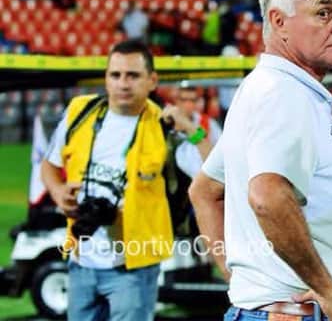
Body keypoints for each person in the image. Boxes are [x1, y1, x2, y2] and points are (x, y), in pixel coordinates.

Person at [189, 0, 332, 321]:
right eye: (324, 13)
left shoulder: (267, 87)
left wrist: (244, 283)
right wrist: (328, 294)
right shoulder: (283, 93)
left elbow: (205, 190)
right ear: (278, 21)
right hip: (302, 312)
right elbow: (268, 197)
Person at [41, 39, 213, 320]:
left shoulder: (163, 126)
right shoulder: (80, 112)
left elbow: (214, 171)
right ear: (106, 78)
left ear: (152, 81)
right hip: (81, 259)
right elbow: (49, 165)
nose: (123, 84)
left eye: (133, 75)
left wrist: (190, 128)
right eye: (115, 75)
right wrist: (58, 191)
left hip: (134, 268)